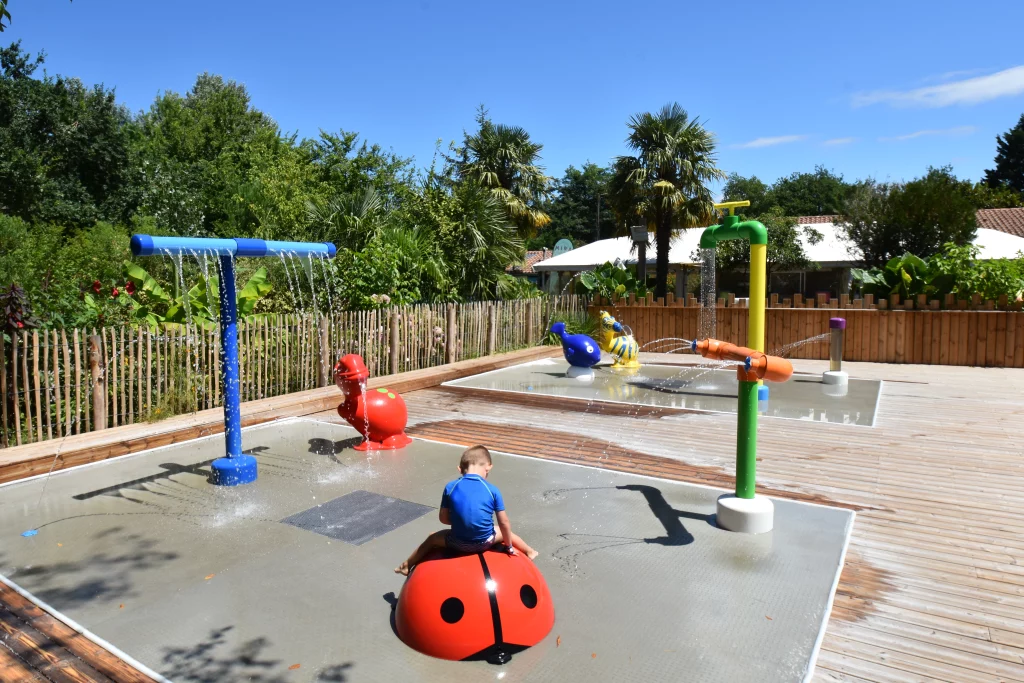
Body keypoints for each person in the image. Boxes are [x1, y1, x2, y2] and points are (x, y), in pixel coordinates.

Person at [395, 445, 538, 576]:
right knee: (505, 531)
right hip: (485, 542)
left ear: (460, 469)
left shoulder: (450, 487)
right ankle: (529, 551)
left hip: (457, 542)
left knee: (432, 538)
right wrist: (509, 547)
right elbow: (504, 523)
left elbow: (443, 519)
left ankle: (406, 565)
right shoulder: (492, 490)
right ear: (488, 468)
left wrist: (460, 521)